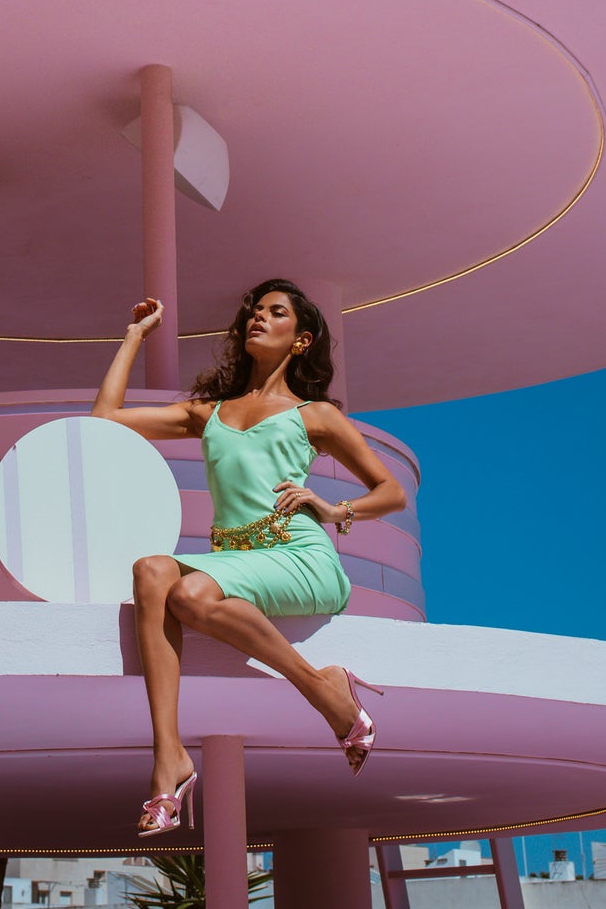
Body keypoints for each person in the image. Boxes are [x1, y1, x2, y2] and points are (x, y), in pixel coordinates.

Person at [90, 278, 408, 837]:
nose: (257, 318)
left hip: (300, 556)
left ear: (300, 339)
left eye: (275, 312)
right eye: (254, 312)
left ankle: (323, 691)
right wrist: (134, 336)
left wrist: (335, 510)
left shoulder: (316, 416)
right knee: (151, 571)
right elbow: (105, 422)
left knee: (186, 591)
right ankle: (170, 759)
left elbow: (391, 491)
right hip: (235, 560)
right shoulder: (207, 413)